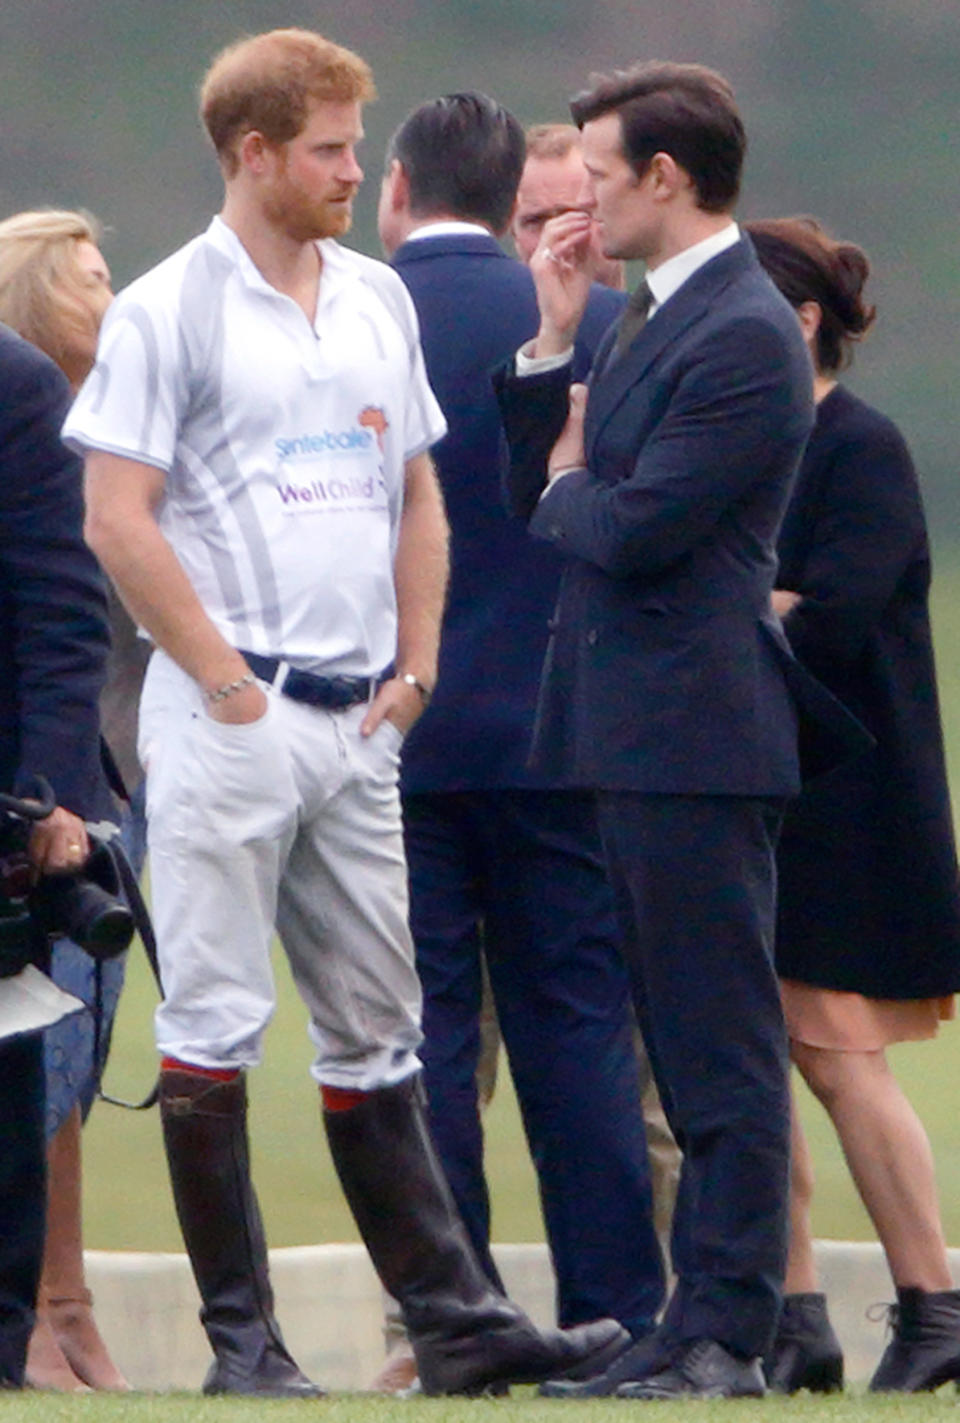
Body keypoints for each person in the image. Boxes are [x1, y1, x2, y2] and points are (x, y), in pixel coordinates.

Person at [64, 28, 625, 1399]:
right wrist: (221, 678)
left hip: (363, 722)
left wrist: (417, 662)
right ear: (254, 154)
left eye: (354, 148)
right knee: (211, 1024)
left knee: (383, 1026)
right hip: (231, 719)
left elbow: (419, 489)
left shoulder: (376, 295)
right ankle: (244, 1345)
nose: (353, 170)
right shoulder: (165, 309)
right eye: (329, 149)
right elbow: (116, 516)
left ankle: (455, 1319)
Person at [494, 61, 864, 1400]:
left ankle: (728, 1331)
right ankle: (685, 1318)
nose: (574, 197)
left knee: (718, 1051)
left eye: (596, 171)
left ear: (665, 177)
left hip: (697, 735)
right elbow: (542, 491)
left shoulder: (745, 331)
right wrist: (549, 348)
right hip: (630, 728)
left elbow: (631, 529)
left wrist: (575, 476)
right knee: (679, 1031)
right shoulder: (650, 317)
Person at [374, 91, 661, 1390]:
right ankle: (620, 1313)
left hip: (400, 733)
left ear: (395, 190)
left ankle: (458, 1312)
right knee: (581, 1031)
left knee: (424, 1038)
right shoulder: (604, 325)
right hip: (565, 728)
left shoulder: (349, 319)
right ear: (514, 202)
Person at [746, 216, 960, 1394]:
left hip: (848, 801)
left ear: (805, 318)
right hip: (758, 791)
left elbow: (832, 611)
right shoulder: (754, 445)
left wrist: (743, 606)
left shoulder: (857, 445)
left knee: (839, 1057)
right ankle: (796, 1313)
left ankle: (933, 1298)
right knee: (753, 1053)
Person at [512, 118, 682, 1281]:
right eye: (532, 219)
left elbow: (624, 527)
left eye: (578, 211)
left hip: (624, 738)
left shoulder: (668, 345)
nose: (557, 237)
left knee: (652, 1064)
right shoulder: (524, 339)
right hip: (496, 735)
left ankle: (675, 1300)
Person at [0, 206, 135, 1392]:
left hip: (38, 794)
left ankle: (41, 1316)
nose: (116, 294)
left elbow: (66, 622)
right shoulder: (38, 400)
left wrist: (55, 800)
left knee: (42, 1068)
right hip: (43, 787)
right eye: (92, 281)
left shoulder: (43, 401)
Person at [511, 123, 625, 290]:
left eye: (575, 216)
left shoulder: (666, 313)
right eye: (535, 221)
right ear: (513, 232)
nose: (554, 235)